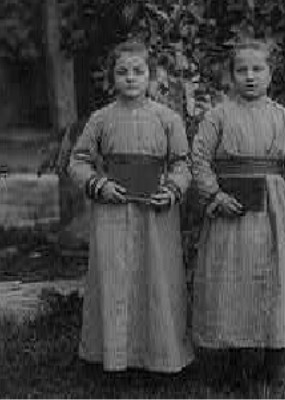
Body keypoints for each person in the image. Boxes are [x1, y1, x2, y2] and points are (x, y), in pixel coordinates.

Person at [191, 39, 285, 389]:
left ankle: (276, 360)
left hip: (275, 214)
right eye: (241, 70)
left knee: (277, 282)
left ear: (270, 75)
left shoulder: (284, 118)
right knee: (229, 283)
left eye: (257, 69)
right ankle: (232, 364)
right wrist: (214, 194)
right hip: (232, 214)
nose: (249, 76)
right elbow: (198, 159)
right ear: (230, 76)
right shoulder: (218, 116)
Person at [69, 40, 194, 373]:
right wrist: (101, 185)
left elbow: (183, 164)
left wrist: (171, 190)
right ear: (112, 78)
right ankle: (114, 355)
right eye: (122, 72)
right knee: (114, 278)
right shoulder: (100, 119)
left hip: (156, 213)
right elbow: (78, 162)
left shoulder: (167, 118)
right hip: (113, 211)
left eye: (138, 71)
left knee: (157, 280)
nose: (130, 78)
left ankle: (160, 356)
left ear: (150, 76)